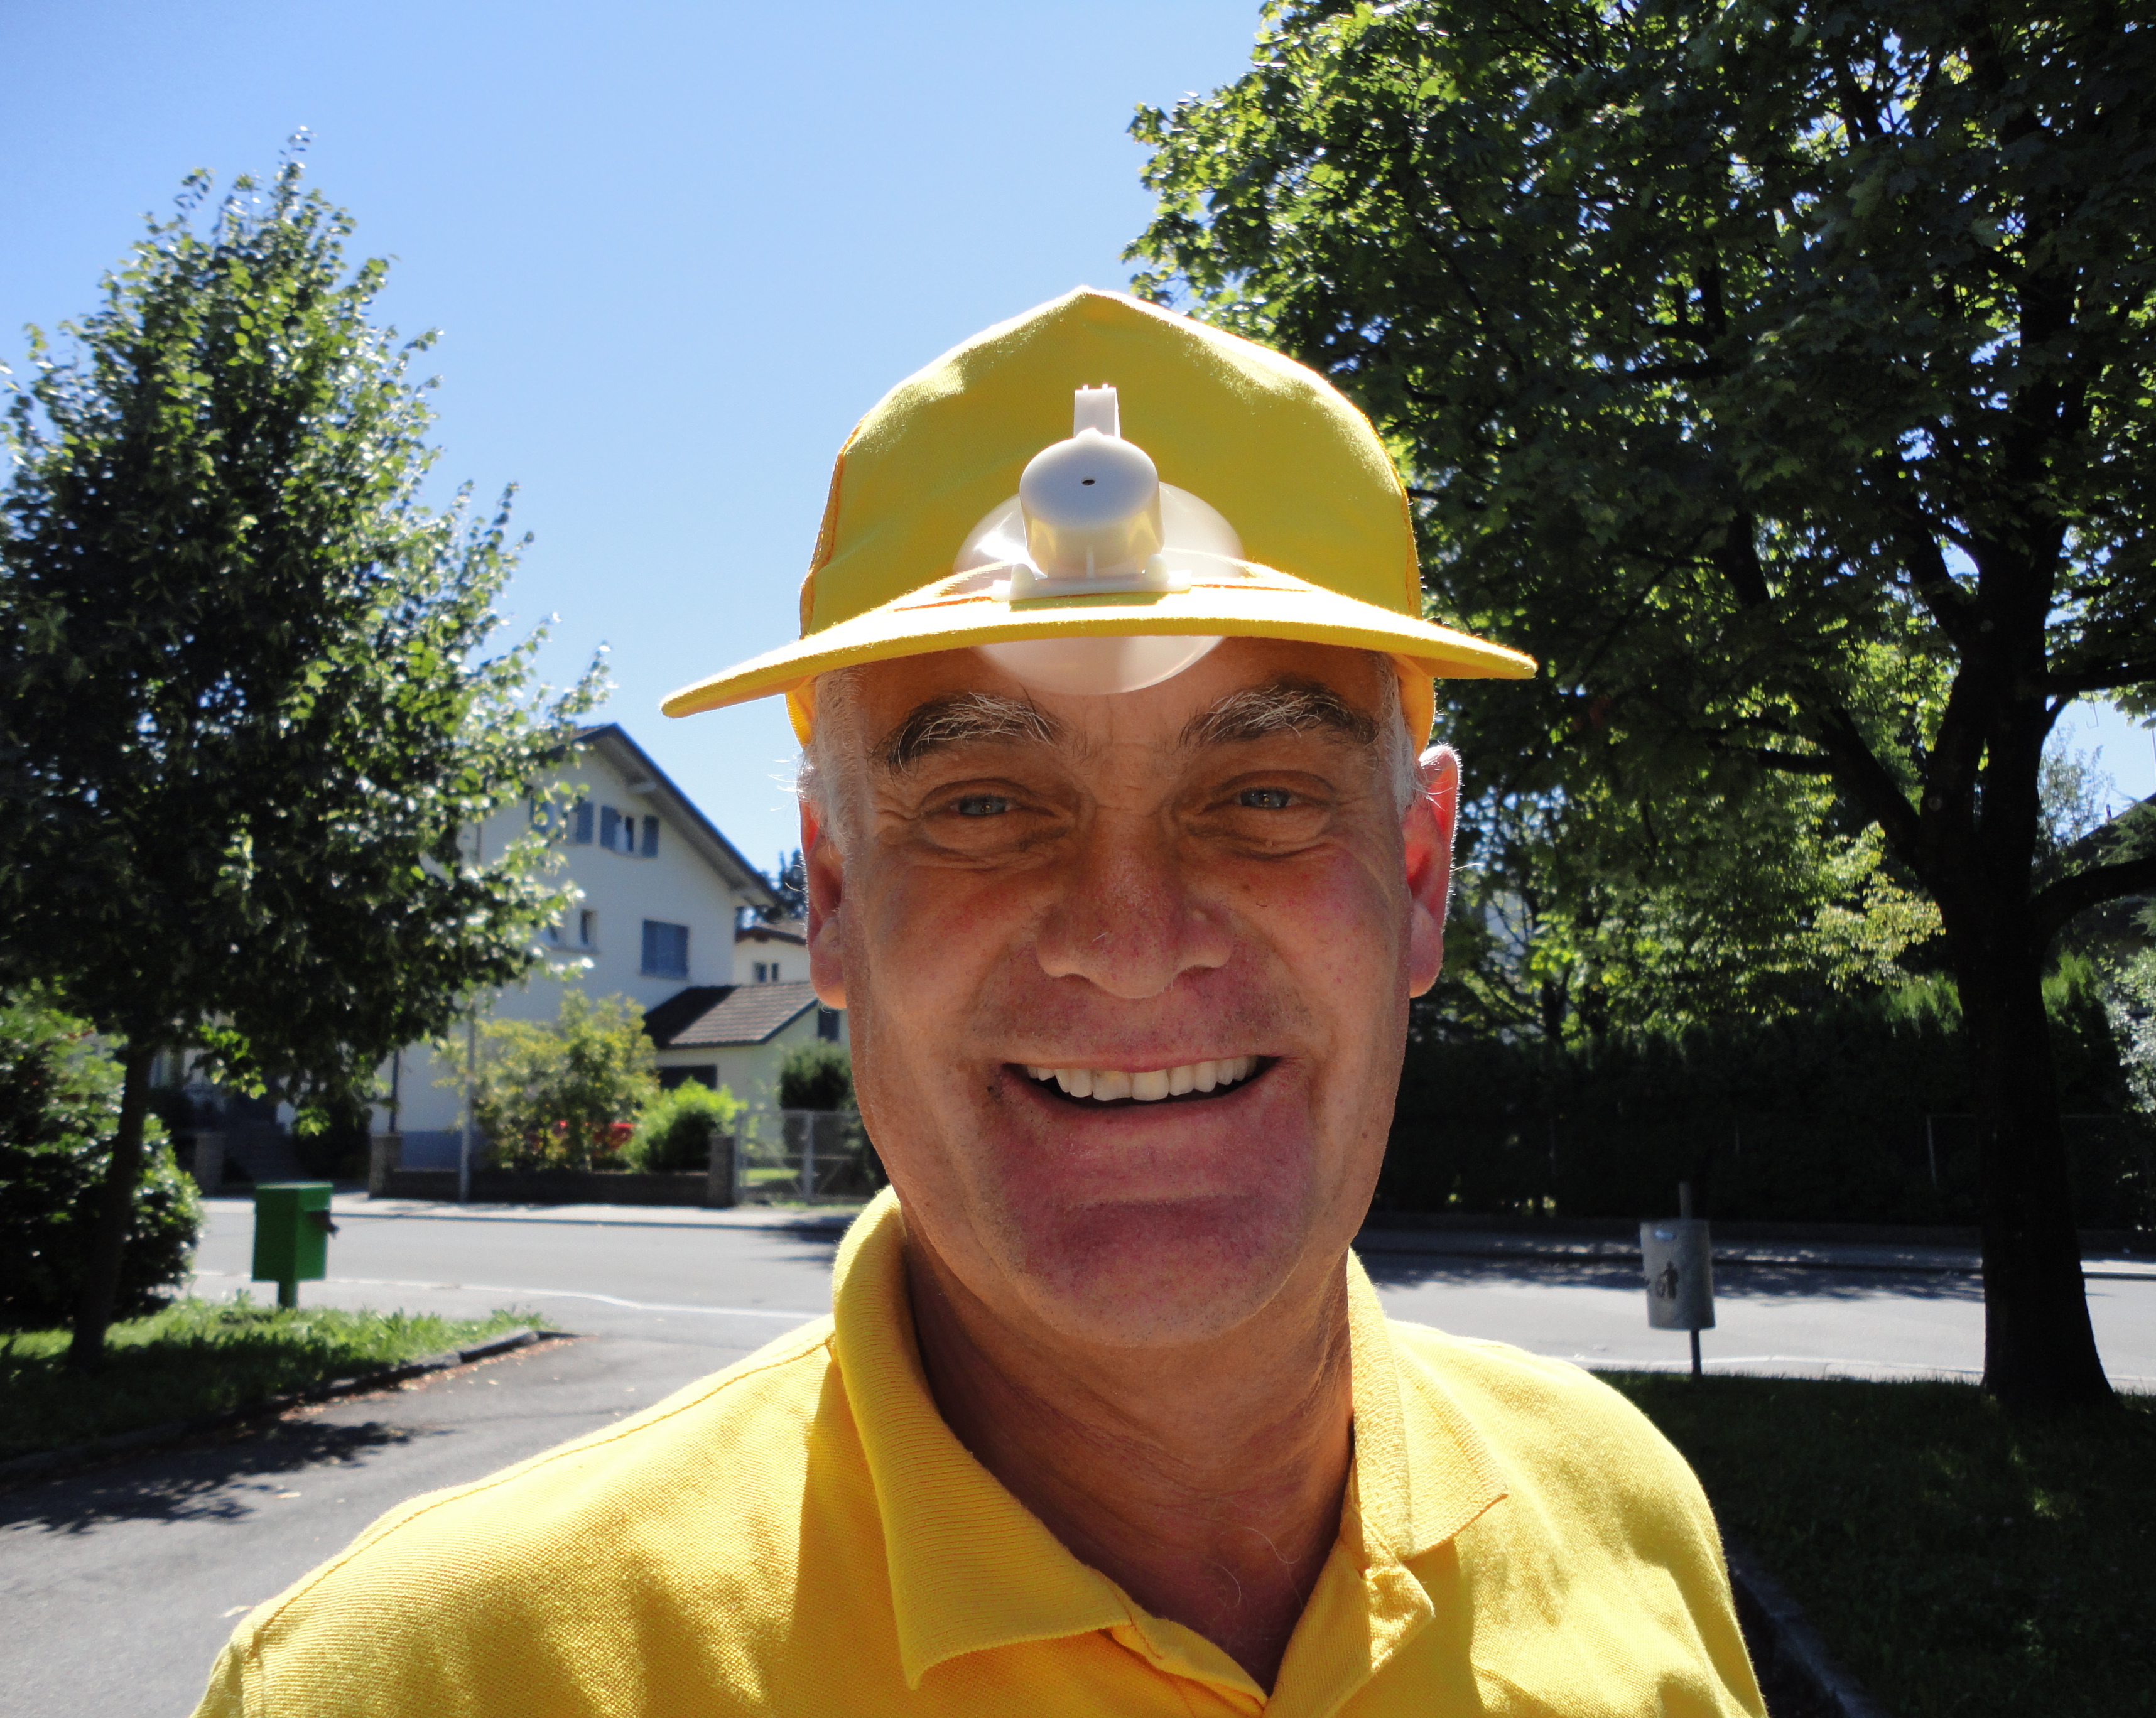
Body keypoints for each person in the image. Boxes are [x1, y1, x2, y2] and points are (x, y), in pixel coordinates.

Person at [193, 288, 1765, 1716]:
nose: (1129, 944)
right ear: (830, 898)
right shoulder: (427, 1682)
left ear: (1417, 876)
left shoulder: (1627, 1519)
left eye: (1265, 794)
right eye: (986, 805)